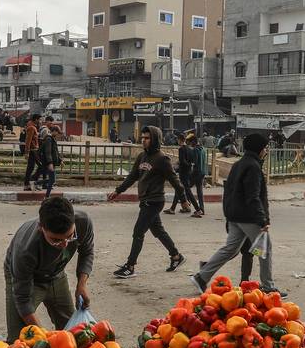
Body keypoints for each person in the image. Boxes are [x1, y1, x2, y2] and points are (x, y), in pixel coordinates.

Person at [192, 133, 281, 295]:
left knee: (230, 249)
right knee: (264, 248)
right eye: (265, 148)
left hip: (235, 216)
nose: (266, 151)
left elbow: (229, 192)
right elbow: (253, 196)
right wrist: (262, 219)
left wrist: (229, 216)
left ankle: (201, 277)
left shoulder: (239, 164)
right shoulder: (253, 167)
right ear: (260, 149)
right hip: (249, 216)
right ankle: (268, 286)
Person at [3, 196, 94, 342]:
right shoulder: (25, 250)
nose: (64, 245)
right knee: (20, 340)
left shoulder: (83, 222)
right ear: (41, 228)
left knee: (74, 334)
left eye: (70, 237)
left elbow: (87, 252)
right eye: (56, 240)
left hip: (56, 273)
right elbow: (23, 300)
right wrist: (44, 339)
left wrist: (81, 285)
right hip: (29, 277)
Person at [107, 126, 187, 278]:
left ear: (155, 139)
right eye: (142, 138)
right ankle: (176, 256)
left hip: (155, 201)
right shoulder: (142, 156)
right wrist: (118, 191)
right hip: (145, 200)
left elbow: (175, 181)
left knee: (138, 232)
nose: (143, 140)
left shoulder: (162, 159)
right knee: (158, 231)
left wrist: (183, 200)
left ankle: (130, 266)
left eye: (147, 138)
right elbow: (132, 176)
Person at [37, 125, 61, 198]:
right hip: (49, 163)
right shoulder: (48, 139)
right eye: (57, 132)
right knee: (52, 180)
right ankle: (47, 196)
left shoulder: (52, 139)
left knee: (52, 180)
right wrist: (50, 163)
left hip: (52, 162)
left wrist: (60, 161)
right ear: (54, 131)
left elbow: (55, 152)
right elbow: (48, 152)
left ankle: (35, 183)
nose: (58, 134)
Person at [188, 132, 207, 217]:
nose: (190, 144)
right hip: (202, 172)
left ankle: (193, 208)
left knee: (187, 189)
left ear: (193, 142)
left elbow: (194, 162)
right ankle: (202, 209)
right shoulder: (203, 149)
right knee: (199, 192)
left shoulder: (195, 149)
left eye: (190, 142)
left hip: (196, 173)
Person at [21, 114, 41, 191]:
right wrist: (27, 152)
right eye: (39, 119)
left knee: (31, 168)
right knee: (40, 166)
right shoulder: (31, 127)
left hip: (34, 150)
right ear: (36, 119)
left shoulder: (32, 126)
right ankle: (31, 182)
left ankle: (28, 184)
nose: (40, 121)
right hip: (33, 151)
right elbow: (28, 141)